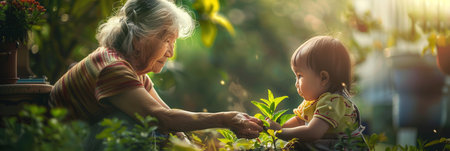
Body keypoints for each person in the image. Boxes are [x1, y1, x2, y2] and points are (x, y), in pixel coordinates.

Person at [49, 0, 263, 149]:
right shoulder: (112, 68)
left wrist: (188, 145)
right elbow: (162, 119)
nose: (171, 52)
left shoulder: (131, 70)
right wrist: (226, 119)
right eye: (166, 40)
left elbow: (169, 116)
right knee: (136, 125)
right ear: (138, 38)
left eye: (174, 42)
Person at [266, 36, 368, 150]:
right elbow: (300, 120)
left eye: (300, 76)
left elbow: (313, 132)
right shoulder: (314, 102)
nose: (296, 83)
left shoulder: (333, 102)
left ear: (323, 78)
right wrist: (274, 127)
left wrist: (279, 132)